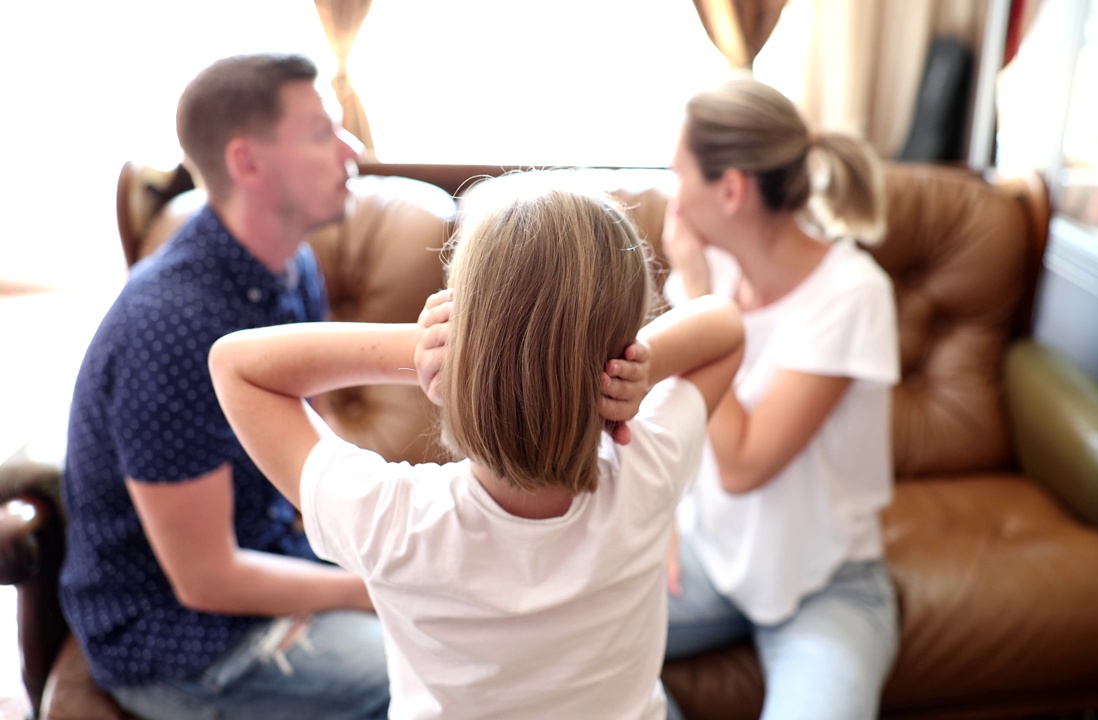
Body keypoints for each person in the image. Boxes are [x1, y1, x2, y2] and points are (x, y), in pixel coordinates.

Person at [207, 185, 746, 719]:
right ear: (621, 348)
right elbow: (725, 325)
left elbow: (235, 365)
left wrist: (417, 349)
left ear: (464, 344)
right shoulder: (649, 469)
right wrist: (646, 365)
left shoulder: (393, 522)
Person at [58, 53, 391, 719]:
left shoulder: (288, 263)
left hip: (274, 562)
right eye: (324, 132)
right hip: (180, 640)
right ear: (247, 163)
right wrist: (380, 589)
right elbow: (206, 579)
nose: (353, 149)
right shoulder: (171, 329)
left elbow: (312, 444)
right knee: (452, 664)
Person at [660, 77, 901, 720]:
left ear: (731, 189)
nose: (670, 195)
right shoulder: (721, 277)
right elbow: (673, 426)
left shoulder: (852, 294)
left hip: (826, 588)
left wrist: (696, 294)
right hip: (710, 559)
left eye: (678, 173)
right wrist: (659, 521)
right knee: (562, 670)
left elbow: (741, 463)